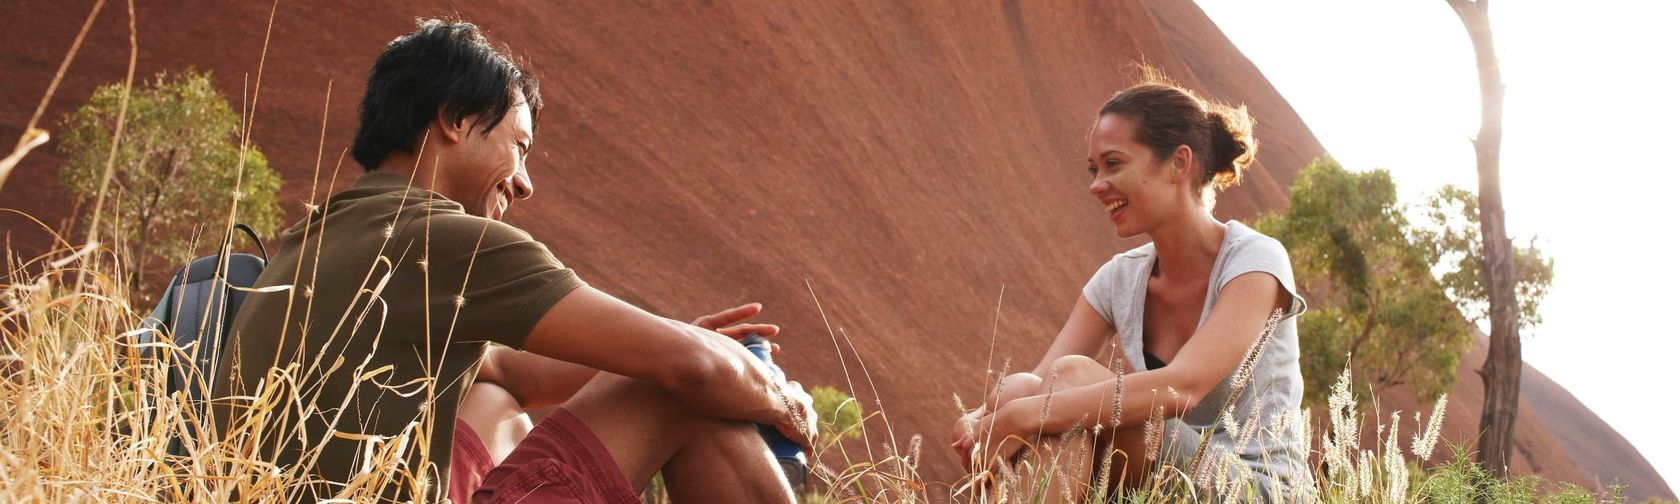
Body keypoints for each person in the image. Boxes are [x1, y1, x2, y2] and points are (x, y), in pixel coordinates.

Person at [211, 19, 816, 503]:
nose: (524, 183)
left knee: (489, 400)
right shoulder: (446, 240)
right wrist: (778, 399)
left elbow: (503, 370)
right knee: (684, 395)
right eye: (518, 148)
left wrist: (674, 341)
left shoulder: (321, 232)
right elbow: (695, 373)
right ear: (453, 119)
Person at [950, 77, 1311, 501]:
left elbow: (1183, 388)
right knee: (1022, 390)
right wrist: (978, 419)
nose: (1096, 184)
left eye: (1113, 164)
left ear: (1179, 163)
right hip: (1157, 472)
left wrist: (1018, 417)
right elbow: (1037, 384)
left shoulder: (1254, 260)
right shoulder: (1121, 278)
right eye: (1094, 169)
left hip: (1251, 487)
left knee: (1069, 379)